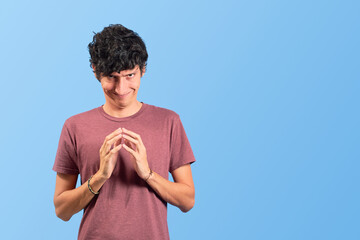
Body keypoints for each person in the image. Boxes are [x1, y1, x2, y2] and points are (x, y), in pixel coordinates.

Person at [53, 24, 196, 240]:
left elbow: (187, 201)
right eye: (111, 77)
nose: (121, 89)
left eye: (130, 75)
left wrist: (147, 173)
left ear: (143, 69)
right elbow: (62, 210)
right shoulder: (75, 126)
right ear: (95, 71)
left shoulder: (169, 122)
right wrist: (100, 177)